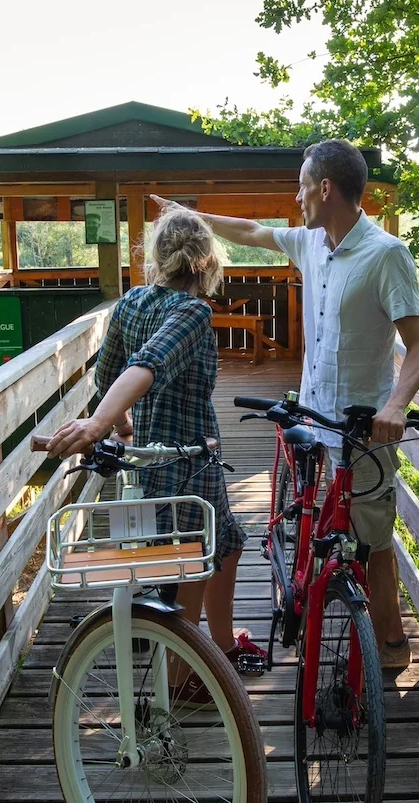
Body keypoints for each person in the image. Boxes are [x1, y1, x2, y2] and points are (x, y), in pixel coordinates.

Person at [152, 138, 419, 670]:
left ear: (325, 188)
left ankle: (392, 644)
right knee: (319, 517)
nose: (297, 195)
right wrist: (192, 215)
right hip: (313, 415)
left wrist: (395, 407)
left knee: (372, 540)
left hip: (362, 428)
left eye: (302, 185)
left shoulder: (386, 255)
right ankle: (300, 585)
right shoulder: (310, 242)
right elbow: (253, 232)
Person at [44, 208, 270, 680]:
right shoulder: (191, 312)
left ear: (158, 258)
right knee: (194, 563)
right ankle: (179, 678)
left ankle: (223, 647)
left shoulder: (131, 303)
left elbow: (108, 373)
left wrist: (122, 427)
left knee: (227, 543)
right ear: (208, 262)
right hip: (187, 459)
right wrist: (101, 424)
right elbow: (147, 363)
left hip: (150, 458)